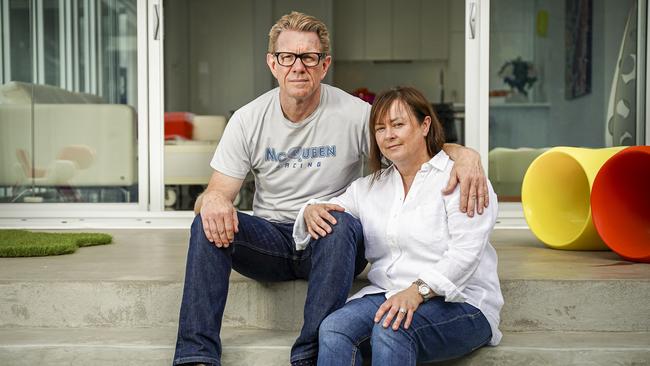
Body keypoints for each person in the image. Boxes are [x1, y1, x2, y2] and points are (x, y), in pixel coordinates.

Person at [173, 12, 489, 366]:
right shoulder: (248, 119)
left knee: (340, 225)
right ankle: (195, 355)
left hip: (331, 244)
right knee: (205, 223)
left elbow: (407, 145)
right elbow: (216, 192)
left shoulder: (356, 114)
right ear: (272, 64)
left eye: (309, 57)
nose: (298, 67)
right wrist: (214, 201)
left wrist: (463, 154)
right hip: (272, 240)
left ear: (324, 65)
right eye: (287, 57)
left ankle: (310, 354)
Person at [293, 87, 503, 365]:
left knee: (392, 329)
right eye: (380, 128)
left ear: (425, 125)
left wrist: (418, 291)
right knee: (334, 328)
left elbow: (466, 253)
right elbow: (327, 208)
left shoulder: (462, 178)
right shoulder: (369, 188)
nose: (388, 135)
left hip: (462, 302)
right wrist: (310, 210)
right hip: (389, 294)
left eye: (398, 124)